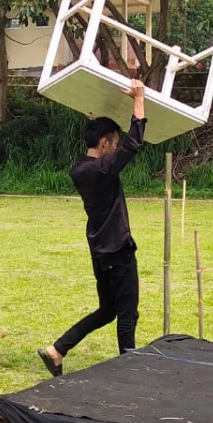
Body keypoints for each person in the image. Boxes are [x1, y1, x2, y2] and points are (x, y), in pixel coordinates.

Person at [38, 80, 146, 376]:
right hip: (117, 250)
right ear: (105, 144)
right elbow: (134, 145)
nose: (116, 148)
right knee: (126, 313)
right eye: (113, 142)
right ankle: (129, 369)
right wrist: (139, 101)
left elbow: (114, 146)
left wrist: (98, 119)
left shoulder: (81, 168)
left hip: (100, 252)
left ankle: (57, 350)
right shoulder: (102, 170)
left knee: (107, 311)